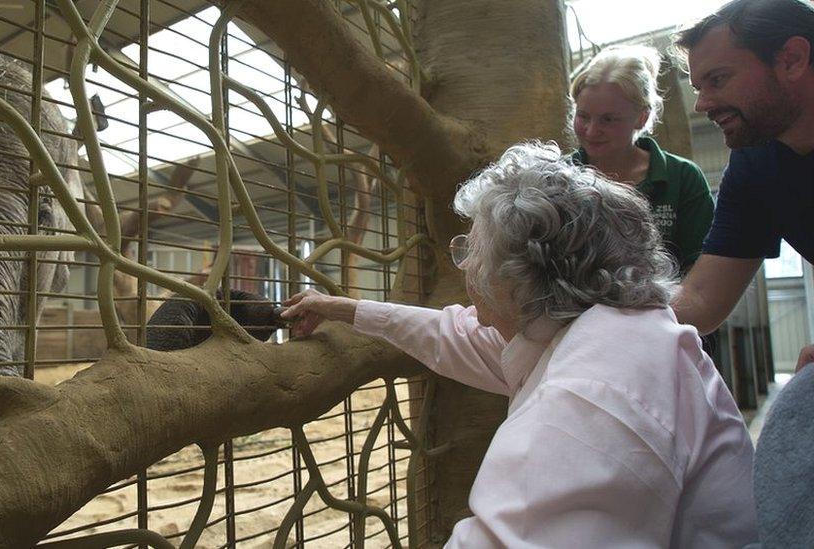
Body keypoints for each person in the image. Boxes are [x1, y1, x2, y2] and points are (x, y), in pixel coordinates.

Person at [281, 142, 757, 547]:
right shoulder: (599, 332)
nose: (464, 267)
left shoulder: (591, 392)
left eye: (473, 249)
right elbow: (449, 334)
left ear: (521, 275)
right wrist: (342, 309)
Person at [671, 0, 814, 342]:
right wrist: (593, 308)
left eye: (717, 80)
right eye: (698, 88)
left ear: (791, 59)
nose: (702, 104)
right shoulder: (756, 161)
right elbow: (702, 301)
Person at [569, 45, 714, 274]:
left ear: (641, 117)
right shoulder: (556, 177)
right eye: (583, 116)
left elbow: (699, 269)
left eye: (608, 120)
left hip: (663, 306)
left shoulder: (682, 177)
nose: (591, 130)